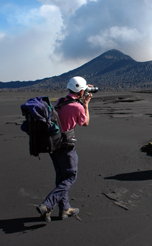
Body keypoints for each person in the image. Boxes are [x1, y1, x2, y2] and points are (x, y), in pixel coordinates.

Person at [36, 76, 93, 222]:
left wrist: (81, 98)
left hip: (53, 145)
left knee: (61, 177)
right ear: (81, 91)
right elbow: (85, 123)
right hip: (66, 146)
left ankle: (64, 209)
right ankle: (47, 205)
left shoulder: (60, 101)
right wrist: (86, 104)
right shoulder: (78, 107)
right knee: (70, 177)